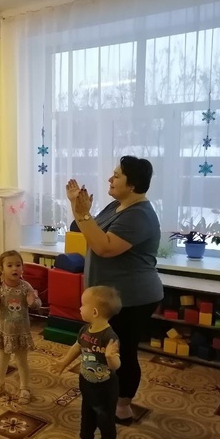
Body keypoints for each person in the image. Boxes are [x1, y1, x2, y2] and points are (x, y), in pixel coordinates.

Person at [67, 155, 163, 423]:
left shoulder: (139, 215)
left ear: (132, 185)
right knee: (103, 347)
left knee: (121, 351)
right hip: (110, 297)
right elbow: (89, 231)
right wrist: (77, 206)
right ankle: (106, 395)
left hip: (131, 298)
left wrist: (83, 213)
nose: (110, 179)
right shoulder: (116, 206)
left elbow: (104, 247)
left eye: (117, 176)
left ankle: (123, 406)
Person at [52, 286, 122, 439]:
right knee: (87, 415)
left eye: (83, 305)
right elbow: (78, 347)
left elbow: (116, 366)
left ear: (95, 312)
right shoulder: (85, 330)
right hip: (86, 382)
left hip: (105, 387)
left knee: (105, 419)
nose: (80, 308)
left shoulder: (109, 336)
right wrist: (63, 362)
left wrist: (110, 357)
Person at [0, 250, 41, 405]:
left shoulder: (26, 286)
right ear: (2, 269)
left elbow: (37, 303)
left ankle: (24, 388)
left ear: (22, 267)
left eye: (18, 265)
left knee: (21, 360)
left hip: (20, 332)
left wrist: (33, 303)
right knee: (2, 358)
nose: (14, 268)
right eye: (9, 265)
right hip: (3, 331)